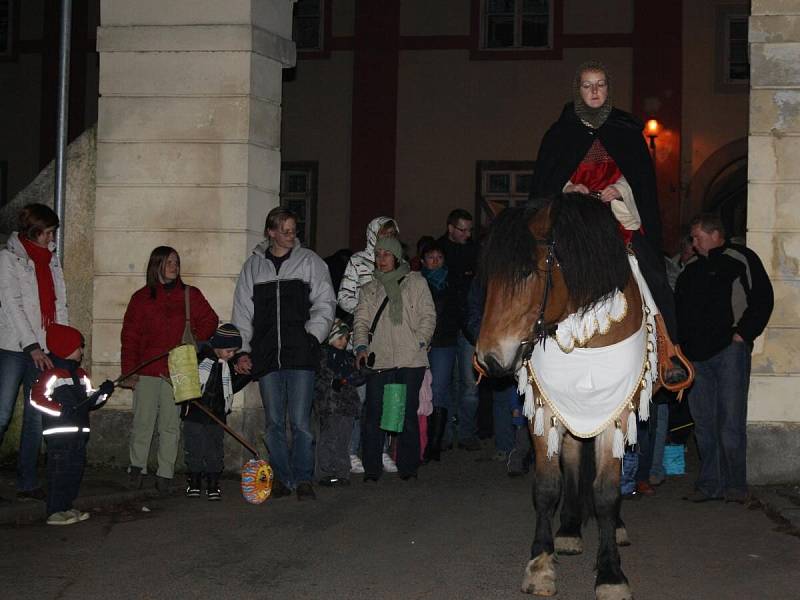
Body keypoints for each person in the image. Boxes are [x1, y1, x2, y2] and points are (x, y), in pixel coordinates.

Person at [530, 61, 681, 351]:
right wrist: (568, 188)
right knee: (536, 273)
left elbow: (642, 180)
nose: (594, 91)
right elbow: (546, 181)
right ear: (579, 91)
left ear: (608, 89)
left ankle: (667, 348)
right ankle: (529, 346)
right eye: (587, 85)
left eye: (600, 84)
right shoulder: (560, 133)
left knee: (653, 274)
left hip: (618, 218)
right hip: (574, 219)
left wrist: (620, 188)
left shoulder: (624, 129)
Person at [232, 207, 336, 501]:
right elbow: (242, 311)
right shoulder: (253, 267)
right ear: (271, 232)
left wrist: (313, 337)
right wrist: (243, 351)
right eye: (286, 231)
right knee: (274, 423)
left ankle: (303, 478)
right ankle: (282, 477)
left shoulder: (310, 262)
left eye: (294, 230)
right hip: (267, 356)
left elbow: (325, 302)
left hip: (300, 355)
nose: (292, 235)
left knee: (301, 422)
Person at [676, 214, 774, 503]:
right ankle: (710, 484)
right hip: (696, 357)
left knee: (730, 420)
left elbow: (763, 299)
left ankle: (735, 485)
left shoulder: (740, 257)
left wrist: (743, 334)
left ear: (715, 234)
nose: (693, 243)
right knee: (704, 421)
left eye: (696, 237)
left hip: (729, 351)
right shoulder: (690, 270)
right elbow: (679, 311)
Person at [120, 246, 218, 494]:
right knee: (143, 422)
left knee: (170, 425)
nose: (175, 266)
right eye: (169, 262)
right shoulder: (141, 298)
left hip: (178, 371)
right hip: (147, 370)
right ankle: (137, 467)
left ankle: (165, 472)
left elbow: (210, 320)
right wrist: (129, 371)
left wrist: (193, 342)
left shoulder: (189, 295)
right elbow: (130, 337)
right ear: (157, 265)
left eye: (176, 262)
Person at [0, 203, 69, 501]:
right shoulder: (9, 258)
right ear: (35, 230)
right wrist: (31, 346)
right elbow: (12, 305)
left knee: (34, 416)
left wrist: (62, 344)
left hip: (43, 347)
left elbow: (60, 303)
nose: (52, 238)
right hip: (14, 346)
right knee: (2, 413)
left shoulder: (51, 260)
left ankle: (27, 482)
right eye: (49, 232)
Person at [353, 236, 436, 481]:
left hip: (411, 358)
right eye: (378, 255)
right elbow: (361, 320)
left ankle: (408, 467)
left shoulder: (416, 282)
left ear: (396, 256)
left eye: (386, 254)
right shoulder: (370, 288)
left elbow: (428, 315)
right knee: (374, 413)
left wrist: (420, 340)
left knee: (407, 412)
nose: (381, 260)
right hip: (380, 358)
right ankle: (372, 468)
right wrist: (360, 346)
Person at [29, 324, 114, 525]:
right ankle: (55, 511)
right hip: (60, 435)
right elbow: (37, 399)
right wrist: (59, 410)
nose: (82, 351)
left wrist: (104, 392)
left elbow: (90, 401)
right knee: (59, 472)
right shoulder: (52, 375)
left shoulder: (81, 375)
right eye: (79, 346)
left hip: (79, 435)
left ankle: (67, 506)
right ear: (66, 347)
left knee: (74, 472)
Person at [337, 216, 400, 474]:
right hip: (363, 338)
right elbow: (343, 297)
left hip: (390, 340)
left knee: (387, 397)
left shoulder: (398, 265)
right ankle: (351, 451)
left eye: (391, 235)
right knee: (360, 397)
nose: (387, 239)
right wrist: (367, 311)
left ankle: (382, 450)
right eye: (383, 234)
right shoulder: (358, 261)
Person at [181, 323, 250, 501]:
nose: (232, 355)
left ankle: (213, 483)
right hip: (195, 414)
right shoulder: (200, 360)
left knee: (214, 451)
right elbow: (187, 382)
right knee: (194, 449)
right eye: (229, 350)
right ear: (218, 346)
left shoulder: (225, 367)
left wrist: (244, 376)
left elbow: (230, 389)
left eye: (234, 351)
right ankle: (194, 482)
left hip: (216, 416)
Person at [437, 209, 481, 451]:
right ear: (450, 228)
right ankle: (442, 434)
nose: (467, 234)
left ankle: (466, 433)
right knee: (443, 384)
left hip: (468, 327)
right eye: (462, 229)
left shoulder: (475, 252)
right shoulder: (438, 250)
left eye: (469, 230)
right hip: (444, 327)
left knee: (468, 384)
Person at [419, 242, 459, 463]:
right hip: (419, 342)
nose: (435, 261)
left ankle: (435, 443)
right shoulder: (416, 281)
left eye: (439, 257)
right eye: (430, 257)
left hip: (444, 341)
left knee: (439, 389)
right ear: (423, 260)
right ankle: (421, 440)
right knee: (420, 390)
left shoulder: (451, 283)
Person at [314, 319, 365, 487]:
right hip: (329, 405)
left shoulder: (348, 358)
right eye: (339, 338)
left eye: (345, 339)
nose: (343, 342)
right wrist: (331, 382)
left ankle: (342, 472)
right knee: (328, 439)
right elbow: (319, 378)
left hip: (347, 406)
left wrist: (361, 371)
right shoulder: (322, 356)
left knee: (343, 440)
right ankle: (325, 472)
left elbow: (357, 378)